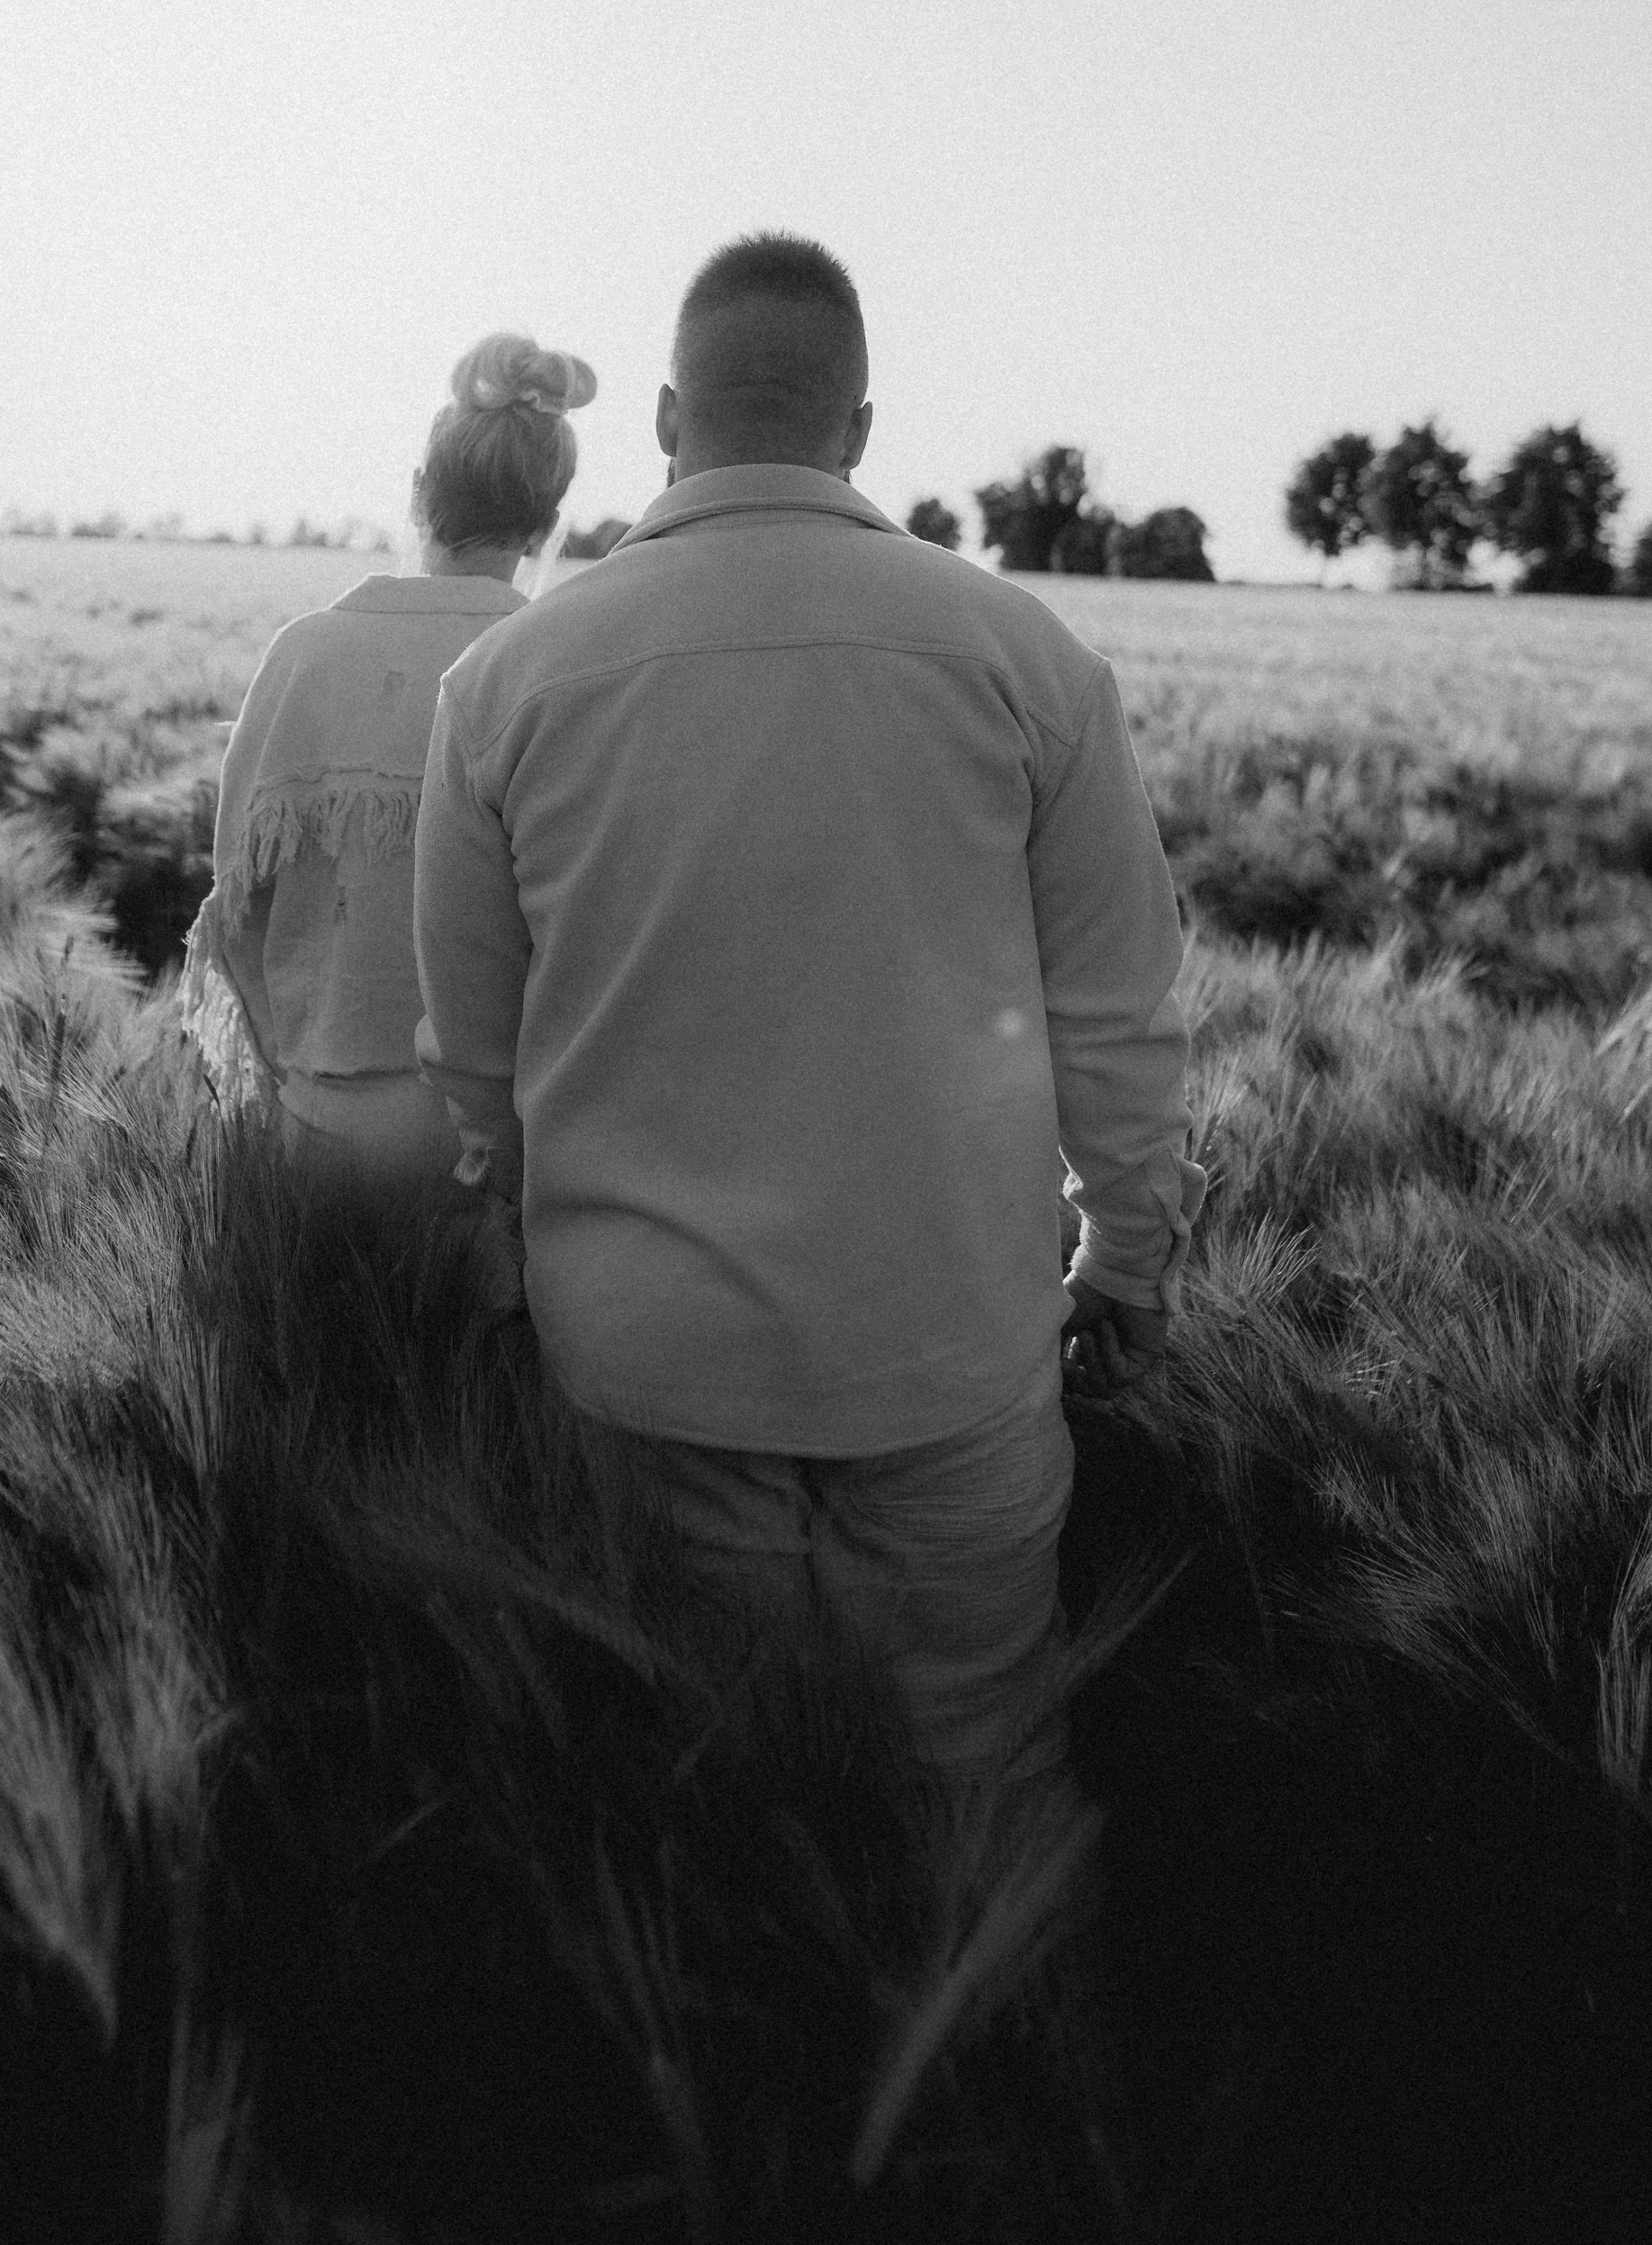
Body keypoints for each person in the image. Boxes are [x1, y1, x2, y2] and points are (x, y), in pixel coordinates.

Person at [411, 235, 1205, 1803]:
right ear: (856, 427)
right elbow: (1115, 1018)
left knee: (702, 1804)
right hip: (951, 1358)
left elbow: (475, 1068)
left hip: (640, 1364)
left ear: (658, 418)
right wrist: (1126, 1254)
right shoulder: (1028, 661)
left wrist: (527, 1245)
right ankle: (999, 2045)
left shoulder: (506, 685)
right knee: (976, 1788)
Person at [180, 331, 594, 1248]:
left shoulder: (305, 654)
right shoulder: (564, 669)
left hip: (320, 1109)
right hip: (507, 1140)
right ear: (543, 523)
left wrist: (291, 1054)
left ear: (419, 492)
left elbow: (237, 904)